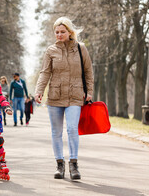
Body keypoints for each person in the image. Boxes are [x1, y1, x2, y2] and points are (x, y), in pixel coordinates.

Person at [34, 17, 93, 180]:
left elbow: (88, 72)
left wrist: (89, 91)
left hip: (75, 95)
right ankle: (59, 165)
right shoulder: (50, 51)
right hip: (55, 96)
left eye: (62, 32)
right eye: (57, 32)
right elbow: (45, 72)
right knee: (56, 132)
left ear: (70, 32)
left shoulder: (81, 49)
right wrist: (39, 91)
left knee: (72, 129)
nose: (59, 34)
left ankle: (73, 164)